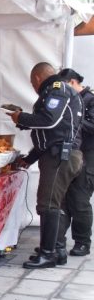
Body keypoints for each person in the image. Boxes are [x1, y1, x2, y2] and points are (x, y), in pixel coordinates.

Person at [8, 62, 84, 268]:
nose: (33, 87)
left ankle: (48, 253)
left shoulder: (57, 90)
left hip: (60, 156)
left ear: (37, 79)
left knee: (48, 204)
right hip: (58, 154)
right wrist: (29, 159)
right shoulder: (56, 91)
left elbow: (49, 120)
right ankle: (56, 250)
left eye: (32, 83)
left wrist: (20, 117)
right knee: (53, 204)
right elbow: (49, 135)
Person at [60, 68, 94, 256]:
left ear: (73, 82)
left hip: (88, 157)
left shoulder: (91, 99)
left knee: (80, 200)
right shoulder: (67, 101)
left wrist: (75, 120)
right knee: (62, 198)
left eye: (65, 86)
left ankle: (82, 242)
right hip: (69, 155)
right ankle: (57, 241)